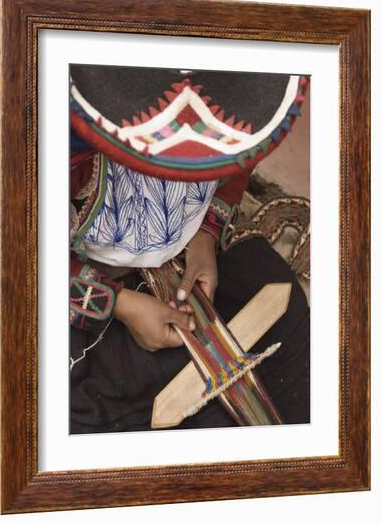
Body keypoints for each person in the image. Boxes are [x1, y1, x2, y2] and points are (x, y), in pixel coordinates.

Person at [69, 65, 310, 434]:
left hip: (190, 243)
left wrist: (206, 234)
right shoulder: (53, 134)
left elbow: (238, 162)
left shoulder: (238, 94)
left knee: (289, 318)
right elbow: (16, 249)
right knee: (94, 403)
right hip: (82, 267)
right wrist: (119, 304)